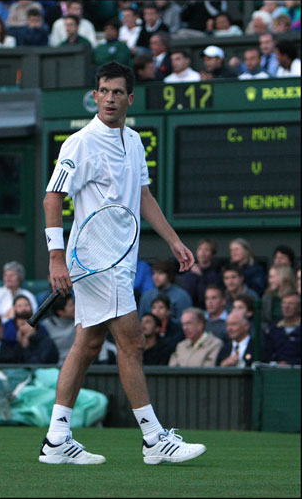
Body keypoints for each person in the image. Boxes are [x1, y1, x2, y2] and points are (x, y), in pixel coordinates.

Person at [39, 61, 206, 465]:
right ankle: (154, 438)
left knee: (88, 342)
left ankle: (57, 438)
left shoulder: (134, 141)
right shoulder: (80, 143)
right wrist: (56, 257)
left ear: (130, 99)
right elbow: (52, 199)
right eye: (103, 91)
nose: (110, 99)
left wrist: (174, 240)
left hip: (121, 258)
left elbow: (144, 197)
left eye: (117, 92)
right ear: (95, 95)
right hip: (95, 261)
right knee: (131, 341)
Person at [180, 238, 222, 309]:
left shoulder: (216, 273)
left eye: (206, 249)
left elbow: (205, 297)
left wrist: (200, 276)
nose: (202, 252)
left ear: (212, 254)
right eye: (200, 249)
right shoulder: (189, 273)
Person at [262, 292, 301, 365]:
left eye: (291, 303)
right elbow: (266, 355)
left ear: (299, 307)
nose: (286, 306)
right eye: (284, 303)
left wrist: (290, 363)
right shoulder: (274, 329)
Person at [42, 293, 76, 365]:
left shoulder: (80, 322)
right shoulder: (46, 326)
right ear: (60, 311)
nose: (75, 307)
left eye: (73, 303)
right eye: (71, 305)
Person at [261, 265, 297, 331]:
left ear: (282, 277)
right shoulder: (267, 296)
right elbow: (263, 319)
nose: (269, 280)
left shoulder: (295, 297)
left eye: (272, 277)